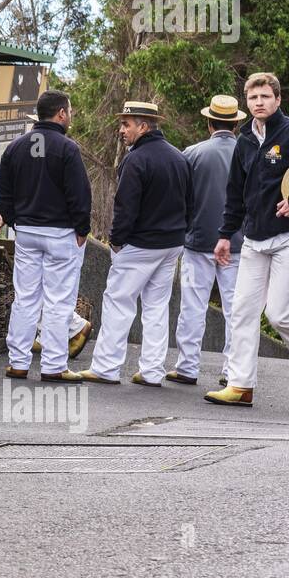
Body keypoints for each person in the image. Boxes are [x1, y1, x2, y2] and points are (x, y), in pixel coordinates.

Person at [205, 72, 289, 407]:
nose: (259, 103)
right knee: (241, 311)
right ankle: (240, 386)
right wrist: (225, 235)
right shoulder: (245, 142)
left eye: (265, 97)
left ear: (277, 99)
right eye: (253, 98)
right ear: (247, 103)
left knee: (279, 313)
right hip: (254, 238)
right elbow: (235, 193)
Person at [80, 101, 193, 387]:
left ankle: (106, 368)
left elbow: (125, 207)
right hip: (171, 244)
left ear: (143, 126)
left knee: (119, 302)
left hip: (140, 245)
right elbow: (190, 203)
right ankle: (152, 371)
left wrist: (116, 240)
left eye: (126, 124)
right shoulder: (179, 158)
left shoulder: (136, 159)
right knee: (156, 307)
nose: (121, 130)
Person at [0, 89, 91, 382]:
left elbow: (2, 190)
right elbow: (80, 195)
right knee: (58, 300)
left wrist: (13, 219)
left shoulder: (17, 146)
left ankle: (18, 362)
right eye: (69, 111)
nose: (70, 116)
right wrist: (82, 229)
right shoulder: (67, 148)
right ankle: (52, 365)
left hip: (26, 232)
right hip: (60, 233)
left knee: (25, 298)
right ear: (61, 113)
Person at [166, 94, 247, 387]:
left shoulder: (192, 153)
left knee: (192, 306)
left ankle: (187, 367)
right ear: (236, 125)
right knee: (235, 310)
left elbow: (180, 198)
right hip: (238, 243)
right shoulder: (248, 154)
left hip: (198, 240)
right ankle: (232, 370)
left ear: (209, 122)